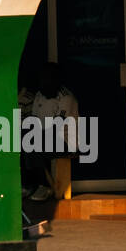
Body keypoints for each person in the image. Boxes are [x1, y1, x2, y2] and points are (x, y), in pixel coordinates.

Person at [26, 62, 78, 202]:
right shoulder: (40, 95)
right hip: (44, 138)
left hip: (66, 142)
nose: (43, 83)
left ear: (56, 80)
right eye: (41, 79)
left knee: (32, 147)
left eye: (47, 79)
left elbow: (56, 127)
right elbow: (34, 121)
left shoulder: (66, 97)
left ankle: (45, 186)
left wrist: (33, 137)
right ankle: (32, 185)